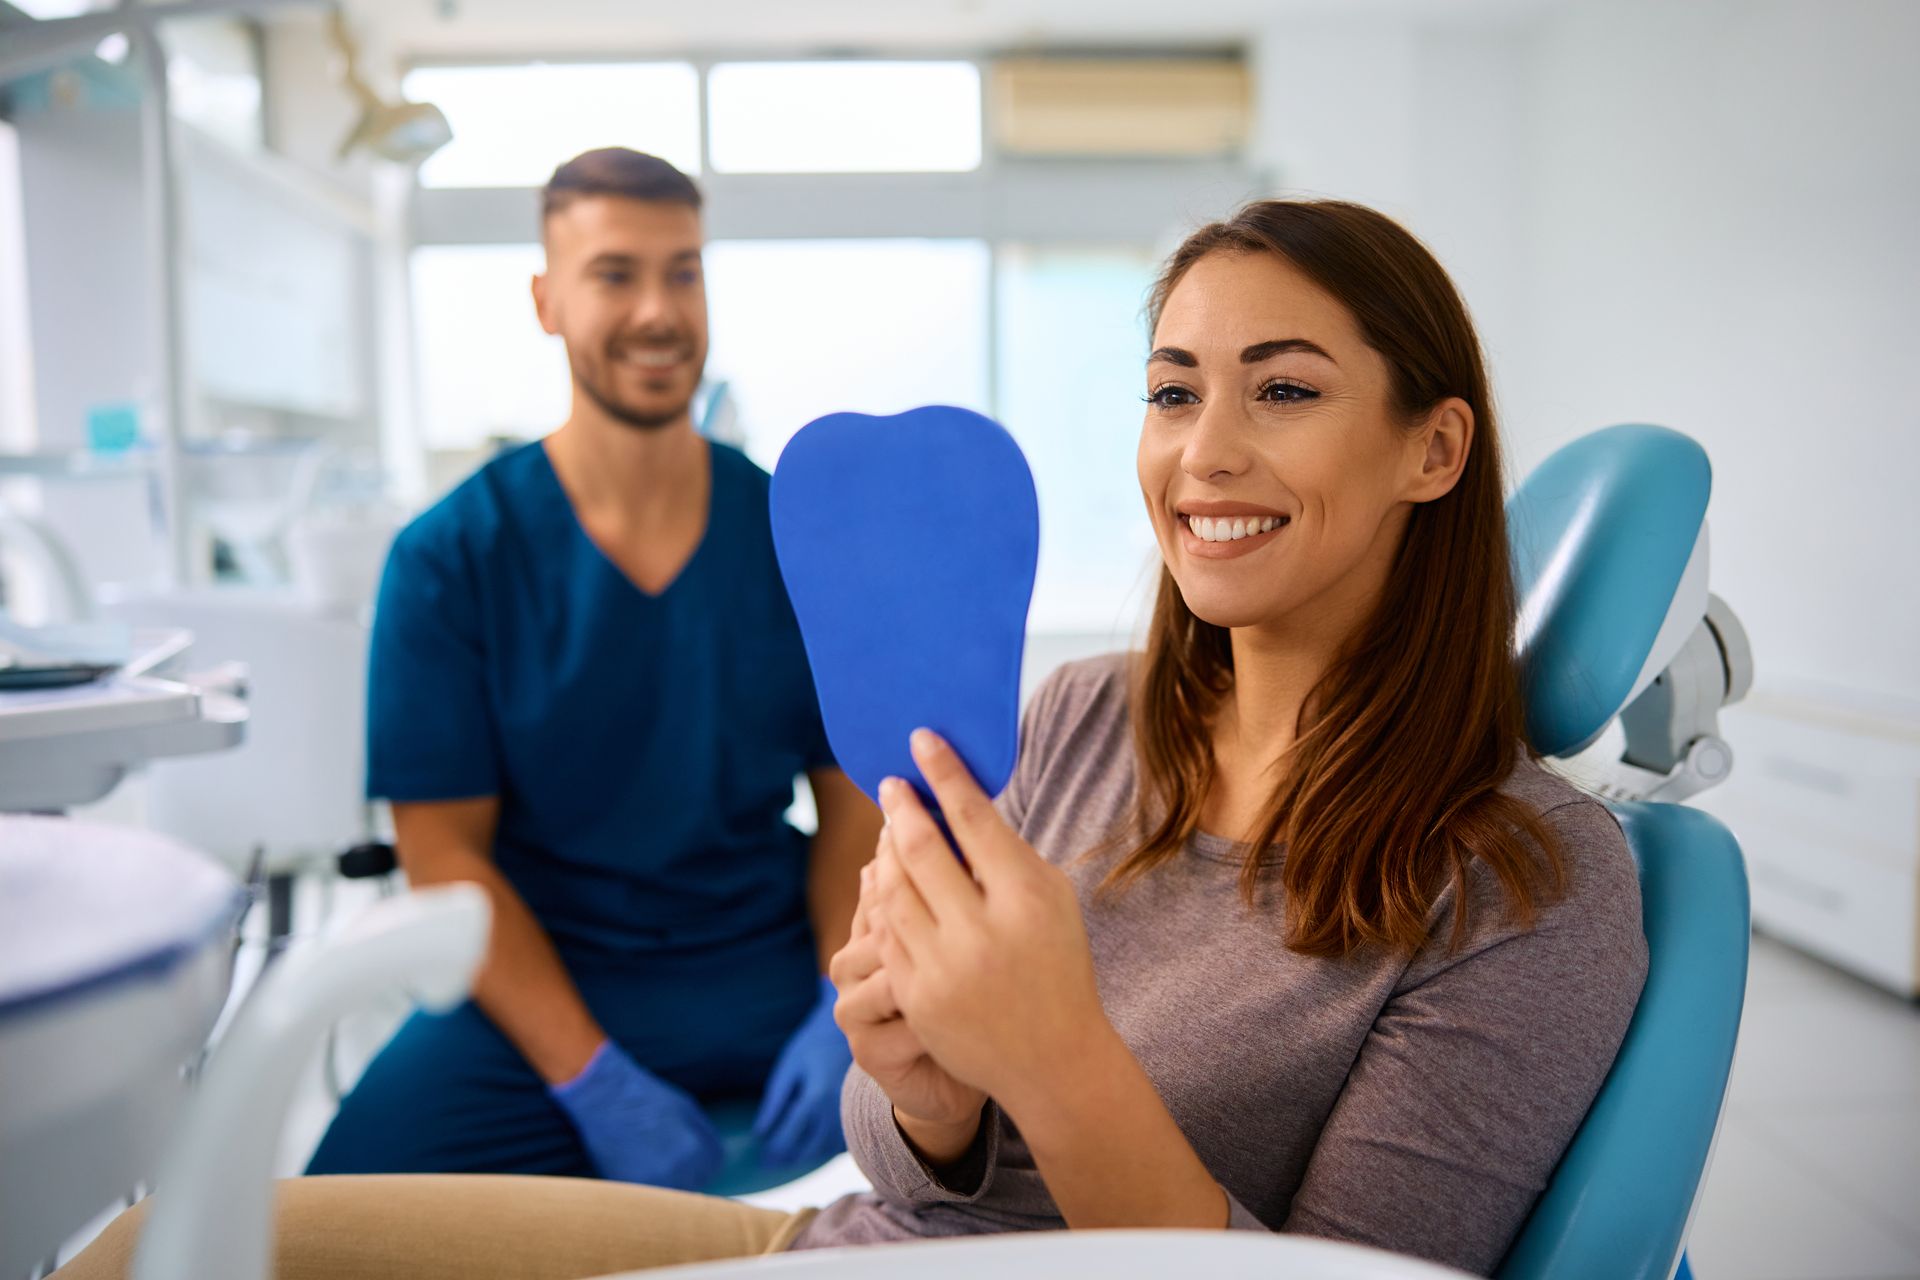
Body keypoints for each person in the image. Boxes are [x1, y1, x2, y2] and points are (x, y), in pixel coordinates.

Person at [60, 198, 1646, 1280]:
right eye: (1172, 393)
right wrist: (924, 1087)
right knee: (158, 1250)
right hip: (840, 1243)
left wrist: (1055, 1056)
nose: (1205, 452)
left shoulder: (1533, 886)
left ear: (1434, 448)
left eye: (1283, 389)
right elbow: (902, 1170)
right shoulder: (1087, 719)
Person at [300, 149, 883, 1187]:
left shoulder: (797, 534)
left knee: (1014, 1149)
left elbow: (850, 801)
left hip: (765, 965)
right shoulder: (451, 558)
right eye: (616, 273)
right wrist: (589, 1074)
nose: (659, 311)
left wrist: (844, 1000)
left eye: (684, 271)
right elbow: (443, 855)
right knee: (336, 1214)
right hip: (541, 982)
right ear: (547, 300)